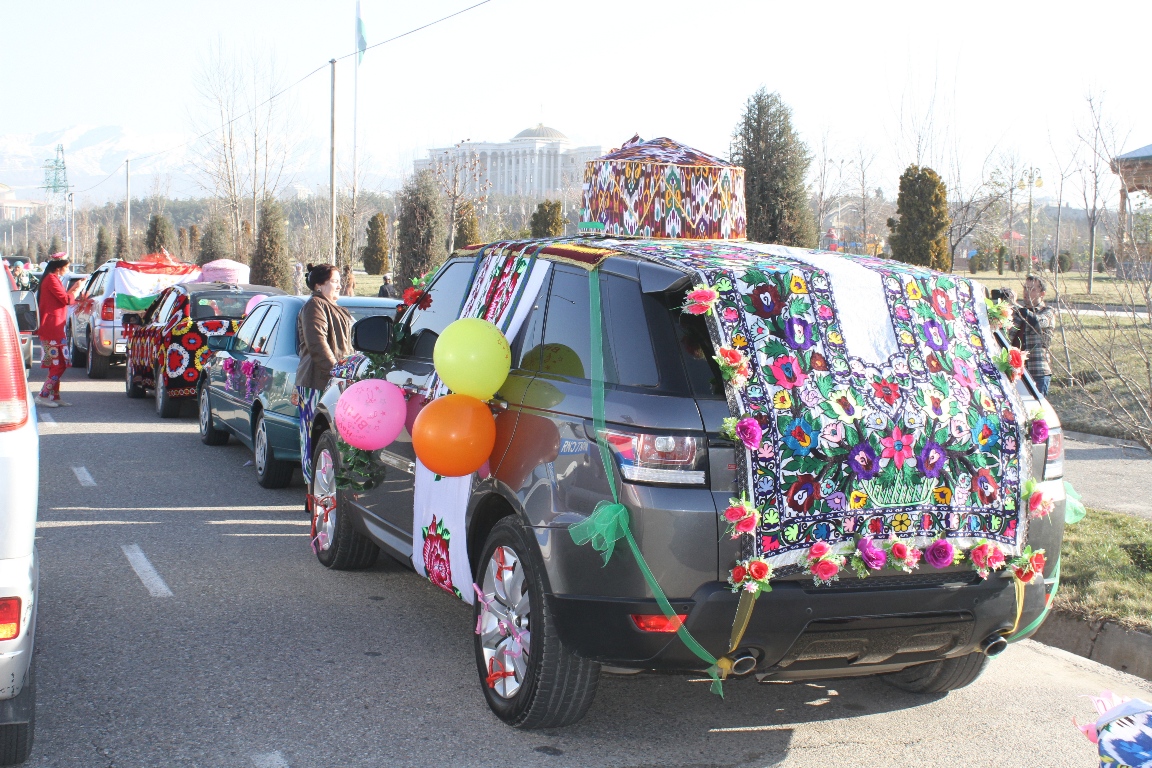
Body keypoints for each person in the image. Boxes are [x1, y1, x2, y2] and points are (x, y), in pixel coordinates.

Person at [295, 264, 353, 485]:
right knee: (313, 441)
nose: (339, 284)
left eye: (340, 280)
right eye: (334, 281)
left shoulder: (335, 307)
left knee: (331, 442)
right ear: (319, 285)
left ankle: (326, 492)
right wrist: (336, 374)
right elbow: (317, 344)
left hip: (334, 382)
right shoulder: (314, 306)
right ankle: (313, 494)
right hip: (316, 383)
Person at [35, 256, 83, 407]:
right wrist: (77, 291)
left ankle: (54, 396)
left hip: (54, 326)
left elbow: (61, 298)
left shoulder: (51, 278)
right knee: (59, 363)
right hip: (52, 327)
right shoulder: (51, 279)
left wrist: (73, 289)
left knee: (56, 362)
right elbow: (66, 300)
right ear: (58, 267)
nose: (68, 270)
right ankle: (43, 395)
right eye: (67, 267)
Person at [1011, 274, 1056, 396]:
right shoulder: (1017, 313)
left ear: (1042, 294)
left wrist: (1014, 304)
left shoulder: (1048, 312)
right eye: (1025, 288)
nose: (1027, 292)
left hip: (1038, 373)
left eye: (1032, 289)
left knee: (1035, 412)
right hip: (1016, 373)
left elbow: (1036, 321)